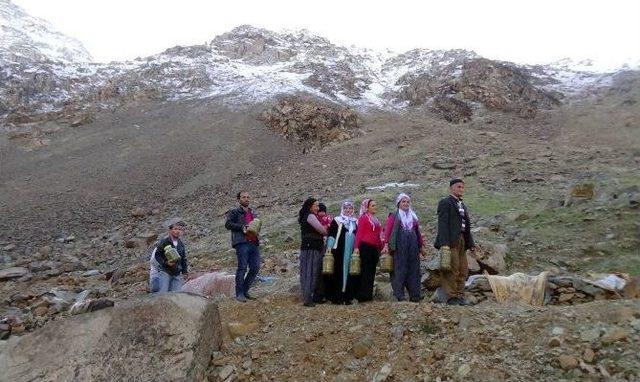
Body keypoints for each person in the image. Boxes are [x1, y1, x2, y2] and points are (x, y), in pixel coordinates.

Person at [434, 179, 476, 306]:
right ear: (451, 188)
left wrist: (471, 244)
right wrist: (444, 243)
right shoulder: (445, 202)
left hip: (462, 240)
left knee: (463, 269)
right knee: (452, 268)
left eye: (463, 187)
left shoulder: (462, 205)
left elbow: (466, 226)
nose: (461, 189)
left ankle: (460, 295)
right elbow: (442, 224)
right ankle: (451, 297)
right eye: (458, 187)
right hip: (450, 241)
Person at [383, 193, 424, 302]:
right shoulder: (394, 215)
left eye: (407, 202)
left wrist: (421, 246)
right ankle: (400, 295)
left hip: (413, 246)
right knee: (399, 269)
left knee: (414, 269)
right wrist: (386, 244)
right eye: (403, 201)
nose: (406, 203)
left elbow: (417, 232)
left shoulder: (413, 217)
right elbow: (388, 230)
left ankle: (415, 295)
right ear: (398, 204)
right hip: (399, 246)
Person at [225, 191, 261, 302]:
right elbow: (228, 224)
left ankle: (245, 290)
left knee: (255, 267)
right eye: (243, 197)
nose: (246, 199)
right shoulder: (234, 212)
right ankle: (239, 293)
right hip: (242, 242)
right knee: (242, 268)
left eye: (247, 197)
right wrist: (242, 227)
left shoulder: (252, 212)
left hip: (253, 242)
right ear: (238, 199)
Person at [324, 200, 358, 304]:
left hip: (351, 250)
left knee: (350, 271)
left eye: (350, 208)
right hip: (339, 250)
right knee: (339, 271)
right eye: (346, 208)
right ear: (342, 209)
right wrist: (329, 246)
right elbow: (332, 234)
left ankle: (347, 296)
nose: (348, 210)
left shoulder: (355, 222)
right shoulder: (337, 220)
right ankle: (337, 296)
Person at [298, 197, 327, 307]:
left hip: (309, 247)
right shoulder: (310, 216)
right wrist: (327, 229)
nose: (317, 208)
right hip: (312, 248)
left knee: (307, 271)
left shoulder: (306, 216)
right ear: (310, 206)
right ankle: (307, 298)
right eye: (316, 205)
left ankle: (307, 296)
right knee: (311, 271)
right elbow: (321, 230)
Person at [353, 198, 383, 302]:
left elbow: (379, 235)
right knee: (365, 270)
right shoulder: (364, 218)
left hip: (374, 248)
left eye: (375, 205)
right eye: (373, 206)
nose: (375, 207)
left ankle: (368, 295)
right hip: (365, 246)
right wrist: (356, 247)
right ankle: (362, 295)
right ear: (367, 208)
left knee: (372, 271)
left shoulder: (376, 219)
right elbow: (359, 233)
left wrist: (381, 247)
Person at [149, 218, 189, 293]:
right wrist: (166, 263)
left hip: (176, 273)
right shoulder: (165, 242)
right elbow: (157, 255)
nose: (178, 231)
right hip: (165, 272)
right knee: (163, 293)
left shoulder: (181, 245)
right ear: (170, 230)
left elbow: (183, 259)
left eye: (180, 229)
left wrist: (184, 271)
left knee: (176, 294)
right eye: (175, 229)